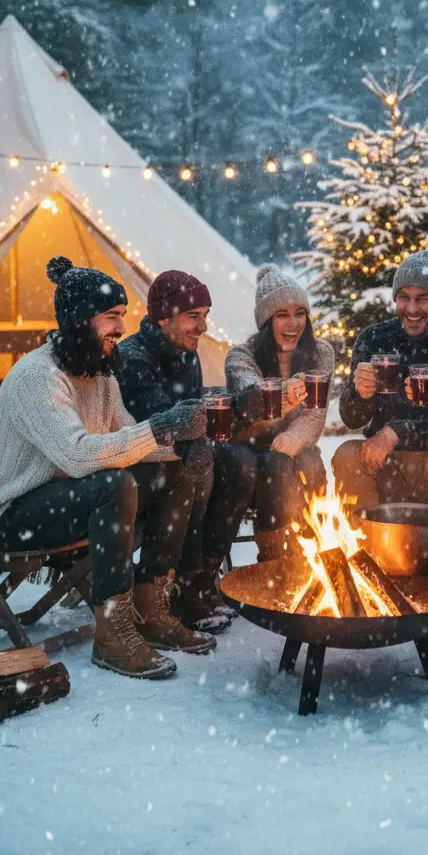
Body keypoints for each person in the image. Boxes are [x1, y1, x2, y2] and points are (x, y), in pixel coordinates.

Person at [0, 256, 216, 681]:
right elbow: (78, 455)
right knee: (114, 485)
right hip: (10, 513)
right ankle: (113, 635)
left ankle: (151, 608)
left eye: (122, 315)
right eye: (112, 317)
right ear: (81, 321)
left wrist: (178, 449)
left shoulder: (100, 374)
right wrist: (160, 428)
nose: (122, 327)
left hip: (66, 494)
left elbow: (129, 438)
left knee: (174, 475)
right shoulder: (37, 376)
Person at [117, 269, 233, 634]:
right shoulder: (133, 358)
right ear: (163, 318)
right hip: (135, 467)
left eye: (205, 315)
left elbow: (193, 421)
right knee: (190, 465)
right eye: (193, 316)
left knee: (236, 463)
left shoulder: (187, 354)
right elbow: (164, 427)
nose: (203, 326)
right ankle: (177, 586)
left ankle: (201, 578)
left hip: (177, 459)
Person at [333, 252, 428, 526]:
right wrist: (360, 395)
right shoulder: (374, 339)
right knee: (347, 455)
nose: (412, 309)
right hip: (385, 461)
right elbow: (351, 418)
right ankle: (366, 546)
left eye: (422, 298)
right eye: (404, 297)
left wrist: (397, 433)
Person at [206, 265, 334, 561]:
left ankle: (309, 554)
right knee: (275, 465)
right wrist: (283, 397)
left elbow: (315, 414)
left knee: (306, 462)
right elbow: (250, 399)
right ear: (266, 321)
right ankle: (274, 558)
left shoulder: (321, 353)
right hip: (246, 448)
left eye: (300, 313)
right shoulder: (241, 356)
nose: (293, 323)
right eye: (281, 315)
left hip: (294, 448)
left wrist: (295, 437)